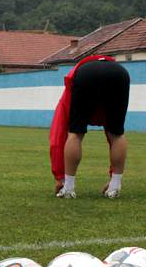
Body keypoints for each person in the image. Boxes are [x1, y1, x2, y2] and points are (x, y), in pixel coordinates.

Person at [50, 55, 130, 199]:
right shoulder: (114, 68)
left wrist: (60, 177)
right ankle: (115, 187)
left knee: (75, 134)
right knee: (117, 134)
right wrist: (113, 178)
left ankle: (68, 188)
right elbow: (112, 138)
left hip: (85, 74)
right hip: (119, 73)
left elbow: (57, 138)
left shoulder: (67, 94)